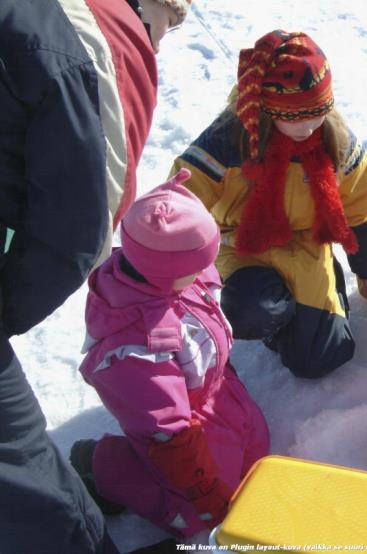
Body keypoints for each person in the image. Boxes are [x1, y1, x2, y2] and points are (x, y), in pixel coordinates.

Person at [0, 0, 191, 551]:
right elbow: (82, 225)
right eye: (161, 25)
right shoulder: (91, 40)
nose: (155, 44)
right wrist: (7, 311)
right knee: (23, 471)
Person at [172, 30, 367, 379]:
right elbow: (184, 197)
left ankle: (360, 275)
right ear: (266, 109)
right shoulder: (230, 138)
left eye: (317, 114)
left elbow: (359, 206)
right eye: (293, 118)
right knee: (251, 312)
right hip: (244, 245)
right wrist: (167, 263)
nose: (308, 128)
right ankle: (281, 315)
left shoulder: (336, 141)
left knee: (322, 360)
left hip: (309, 242)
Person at [72, 169, 270, 539]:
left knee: (258, 457)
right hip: (175, 431)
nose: (205, 270)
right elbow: (167, 430)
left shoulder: (176, 273)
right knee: (205, 513)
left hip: (212, 394)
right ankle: (106, 465)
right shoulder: (138, 350)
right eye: (195, 266)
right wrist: (203, 490)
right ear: (165, 273)